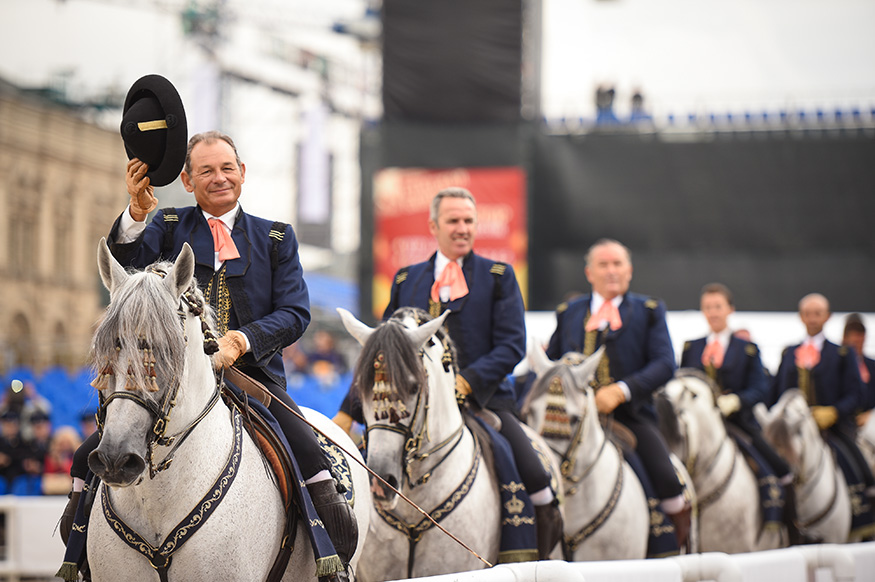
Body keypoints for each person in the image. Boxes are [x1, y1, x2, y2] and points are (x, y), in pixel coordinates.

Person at [62, 129, 356, 580]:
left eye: (226, 168)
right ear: (187, 180)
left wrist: (241, 341)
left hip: (254, 376)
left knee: (305, 445)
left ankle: (329, 558)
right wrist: (136, 216)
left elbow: (295, 313)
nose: (219, 178)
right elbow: (125, 271)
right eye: (206, 171)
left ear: (242, 173)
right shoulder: (167, 225)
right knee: (90, 454)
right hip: (167, 377)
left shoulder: (276, 237)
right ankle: (78, 558)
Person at [336, 187, 562, 559]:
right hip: (409, 405)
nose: (462, 228)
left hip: (484, 401)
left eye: (469, 221)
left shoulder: (499, 276)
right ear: (434, 226)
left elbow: (511, 345)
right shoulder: (406, 278)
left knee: (534, 474)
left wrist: (466, 381)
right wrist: (349, 411)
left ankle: (529, 560)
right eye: (453, 220)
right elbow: (382, 355)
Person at [545, 238, 691, 547]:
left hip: (631, 416)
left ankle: (671, 546)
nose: (611, 271)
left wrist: (622, 391)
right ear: (589, 273)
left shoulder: (649, 311)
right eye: (604, 264)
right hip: (571, 419)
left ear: (629, 270)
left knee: (666, 477)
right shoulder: (568, 312)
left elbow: (665, 363)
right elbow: (552, 363)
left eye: (618, 264)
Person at [680, 283, 813, 544]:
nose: (713, 312)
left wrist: (737, 401)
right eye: (708, 307)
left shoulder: (747, 349)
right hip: (700, 427)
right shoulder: (691, 348)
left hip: (739, 424)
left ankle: (793, 529)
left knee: (780, 468)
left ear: (730, 309)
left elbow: (760, 388)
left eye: (718, 307)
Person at [773, 294, 875, 521]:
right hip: (793, 428)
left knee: (857, 463)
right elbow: (777, 390)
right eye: (808, 314)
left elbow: (856, 393)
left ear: (827, 317)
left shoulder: (842, 353)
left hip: (832, 427)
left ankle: (864, 510)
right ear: (801, 317)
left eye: (817, 314)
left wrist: (834, 412)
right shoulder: (789, 353)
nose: (812, 318)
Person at [843, 313, 875, 425]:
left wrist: (871, 414)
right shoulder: (835, 365)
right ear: (845, 337)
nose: (856, 339)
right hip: (843, 423)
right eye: (852, 334)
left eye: (860, 335)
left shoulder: (872, 365)